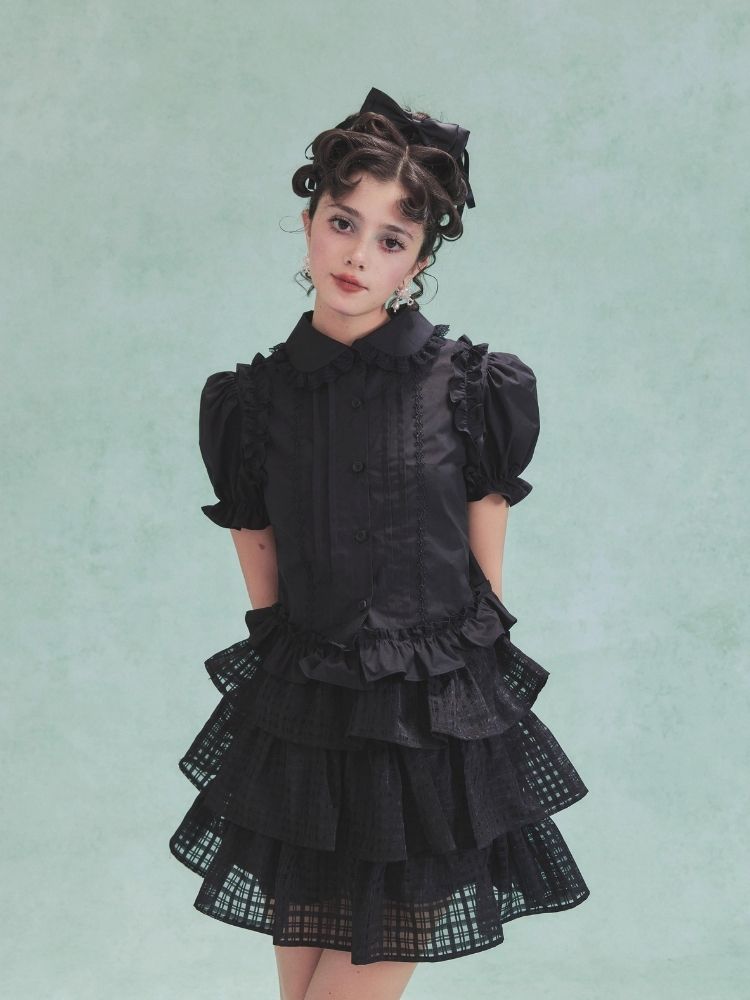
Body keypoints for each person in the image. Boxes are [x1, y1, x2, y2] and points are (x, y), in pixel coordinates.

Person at [169, 86, 590, 1000]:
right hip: (307, 720)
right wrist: (291, 680)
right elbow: (263, 579)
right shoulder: (250, 405)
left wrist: (471, 696)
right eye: (342, 223)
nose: (359, 256)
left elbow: (487, 569)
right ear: (309, 222)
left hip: (431, 723)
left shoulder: (472, 386)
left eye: (391, 240)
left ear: (421, 259)